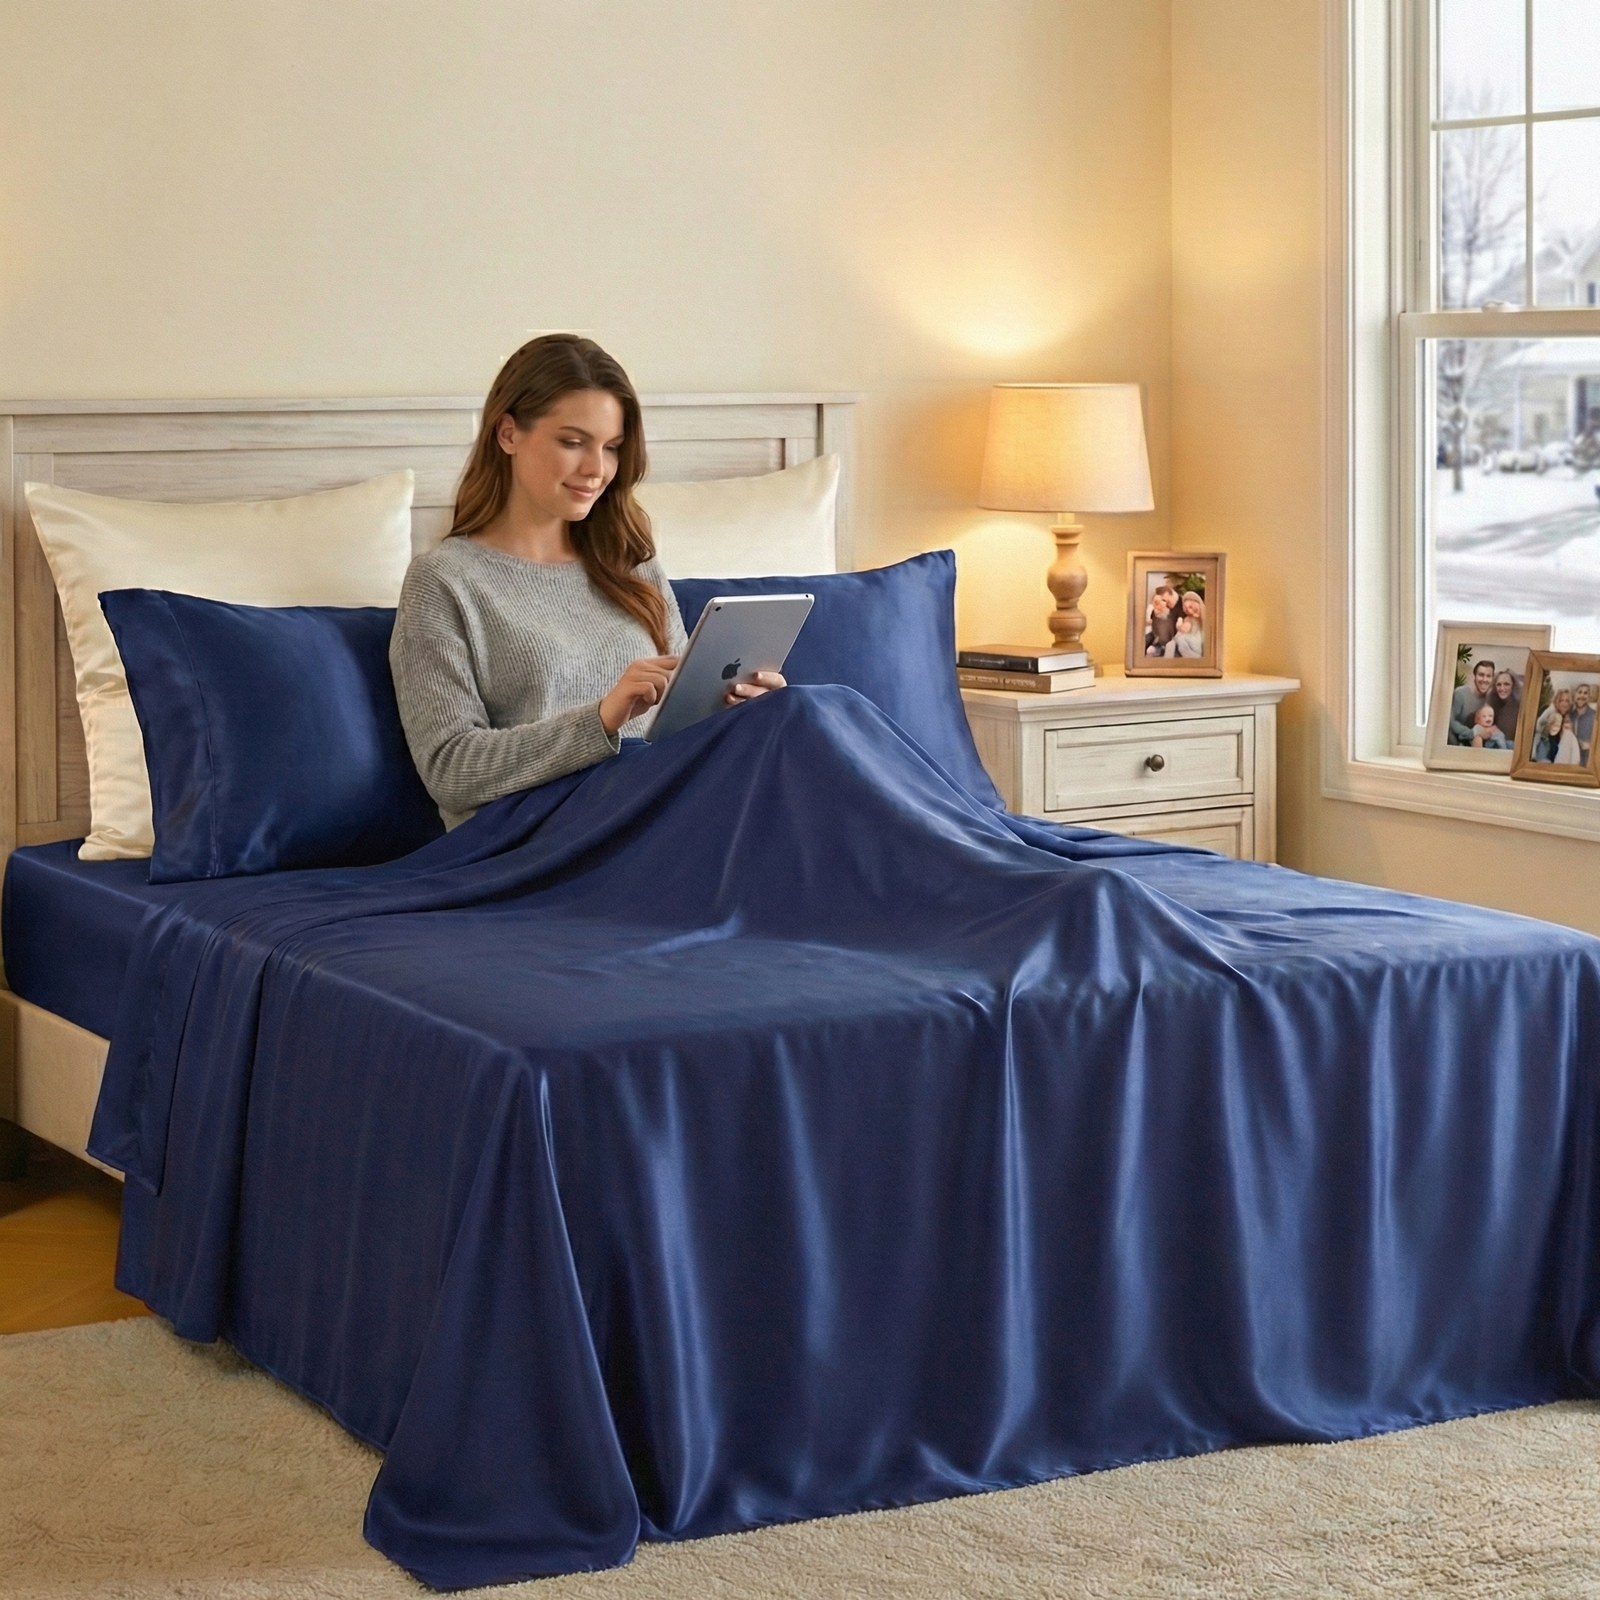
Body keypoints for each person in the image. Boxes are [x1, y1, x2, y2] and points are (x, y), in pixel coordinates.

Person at [391, 335, 784, 826]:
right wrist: (600, 720)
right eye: (572, 442)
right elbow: (448, 769)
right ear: (508, 433)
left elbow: (679, 725)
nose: (597, 470)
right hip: (547, 835)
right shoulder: (444, 581)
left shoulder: (630, 561)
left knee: (804, 715)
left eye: (612, 448)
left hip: (663, 807)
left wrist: (738, 712)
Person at [1448, 659, 1495, 745]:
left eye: (1488, 676)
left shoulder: (1490, 698)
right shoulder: (1460, 693)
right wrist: (1474, 732)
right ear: (1475, 676)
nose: (1485, 679)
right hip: (1457, 744)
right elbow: (1450, 722)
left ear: (1492, 679)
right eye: (1481, 675)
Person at [1144, 585, 1179, 656]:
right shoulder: (1153, 612)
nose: (1159, 603)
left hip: (1170, 640)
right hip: (1158, 641)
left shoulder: (1172, 613)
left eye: (1163, 600)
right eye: (1156, 602)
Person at [1489, 668, 1521, 742]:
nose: (1502, 688)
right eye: (1499, 685)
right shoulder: (1491, 701)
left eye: (1506, 684)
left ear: (1513, 686)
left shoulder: (1519, 707)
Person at [1171, 590, 1205, 659]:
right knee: (1177, 641)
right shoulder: (1189, 619)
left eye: (1190, 607)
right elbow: (1184, 629)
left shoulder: (1204, 618)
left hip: (1196, 641)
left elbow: (1184, 629)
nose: (1189, 611)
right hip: (1192, 641)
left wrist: (1179, 623)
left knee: (1181, 640)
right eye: (1186, 609)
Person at [1574, 682, 1597, 765]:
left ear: (1589, 697)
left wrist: (1591, 745)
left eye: (1585, 693)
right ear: (1575, 694)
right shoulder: (1569, 714)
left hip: (1587, 763)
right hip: (1570, 762)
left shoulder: (1595, 716)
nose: (1582, 696)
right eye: (1579, 692)